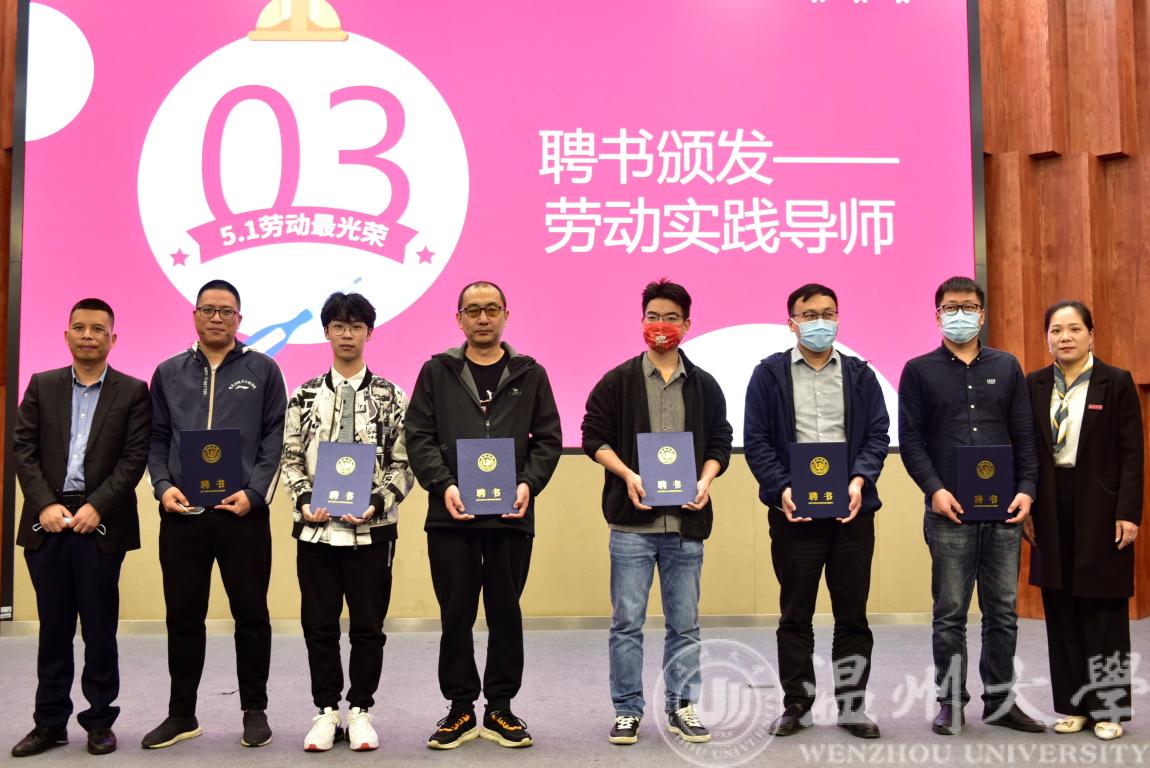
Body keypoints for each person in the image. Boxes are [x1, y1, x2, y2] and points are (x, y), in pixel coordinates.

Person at [405, 281, 562, 750]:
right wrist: (444, 485)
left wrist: (528, 483)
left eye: (491, 309)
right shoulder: (437, 371)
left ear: (506, 315)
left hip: (511, 516)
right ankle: (459, 708)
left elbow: (548, 439)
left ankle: (500, 708)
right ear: (459, 319)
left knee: (505, 613)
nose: (483, 318)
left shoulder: (530, 373)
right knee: (455, 613)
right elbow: (418, 436)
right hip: (451, 516)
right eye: (472, 310)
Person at [581, 279, 733, 747]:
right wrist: (627, 474)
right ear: (642, 321)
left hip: (685, 523)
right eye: (652, 317)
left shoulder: (705, 385)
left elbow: (720, 441)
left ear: (687, 324)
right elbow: (593, 436)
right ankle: (627, 710)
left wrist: (706, 480)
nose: (660, 325)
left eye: (670, 317)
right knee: (626, 623)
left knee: (685, 624)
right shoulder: (618, 381)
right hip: (632, 525)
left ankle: (681, 706)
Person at [142, 279, 287, 749]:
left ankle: (254, 710)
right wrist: (162, 486)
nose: (217, 317)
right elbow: (157, 438)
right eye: (209, 309)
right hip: (182, 513)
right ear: (195, 315)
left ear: (239, 319)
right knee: (183, 616)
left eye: (227, 311)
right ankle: (181, 714)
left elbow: (274, 439)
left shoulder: (264, 369)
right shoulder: (168, 371)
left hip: (242, 515)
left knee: (251, 614)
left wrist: (255, 493)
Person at [898, 275, 1043, 735]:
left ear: (982, 314)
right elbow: (912, 442)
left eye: (969, 307)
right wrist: (934, 489)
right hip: (949, 512)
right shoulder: (918, 370)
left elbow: (1025, 434)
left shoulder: (1007, 366)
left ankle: (1000, 701)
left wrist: (1027, 489)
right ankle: (950, 702)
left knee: (1002, 612)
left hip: (1004, 511)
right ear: (937, 314)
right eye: (951, 307)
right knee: (950, 613)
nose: (960, 314)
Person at [744, 283, 889, 740]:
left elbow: (878, 435)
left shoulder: (861, 375)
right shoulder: (768, 375)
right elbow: (757, 440)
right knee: (795, 615)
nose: (819, 322)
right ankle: (797, 705)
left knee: (853, 616)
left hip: (851, 514)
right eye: (809, 315)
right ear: (791, 322)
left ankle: (852, 705)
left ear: (838, 318)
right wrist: (782, 489)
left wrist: (859, 480)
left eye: (828, 313)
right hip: (795, 516)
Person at [10, 299, 151, 758]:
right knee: (53, 629)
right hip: (48, 523)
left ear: (113, 338)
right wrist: (45, 504)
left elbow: (134, 458)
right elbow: (23, 448)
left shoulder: (133, 391)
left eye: (97, 329)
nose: (88, 335)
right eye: (79, 327)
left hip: (100, 526)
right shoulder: (41, 384)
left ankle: (99, 721)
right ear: (67, 335)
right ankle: (49, 723)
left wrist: (97, 506)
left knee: (99, 629)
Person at [281, 292, 413, 752]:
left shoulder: (392, 395)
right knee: (319, 626)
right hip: (315, 530)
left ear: (369, 333)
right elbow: (289, 458)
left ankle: (360, 710)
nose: (347, 334)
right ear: (326, 332)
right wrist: (303, 500)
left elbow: (405, 463)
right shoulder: (303, 395)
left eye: (356, 326)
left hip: (372, 532)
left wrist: (377, 501)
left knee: (368, 627)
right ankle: (325, 711)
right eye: (338, 326)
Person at [1025, 300, 1143, 741]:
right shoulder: (1035, 384)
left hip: (1102, 506)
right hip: (1050, 504)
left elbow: (1133, 454)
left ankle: (1108, 709)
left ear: (1091, 335)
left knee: (1103, 608)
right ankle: (1074, 706)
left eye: (1074, 329)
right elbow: (1026, 450)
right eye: (1056, 330)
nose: (1065, 337)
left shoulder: (1116, 382)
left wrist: (1128, 512)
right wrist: (1028, 506)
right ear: (1047, 338)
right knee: (1061, 608)